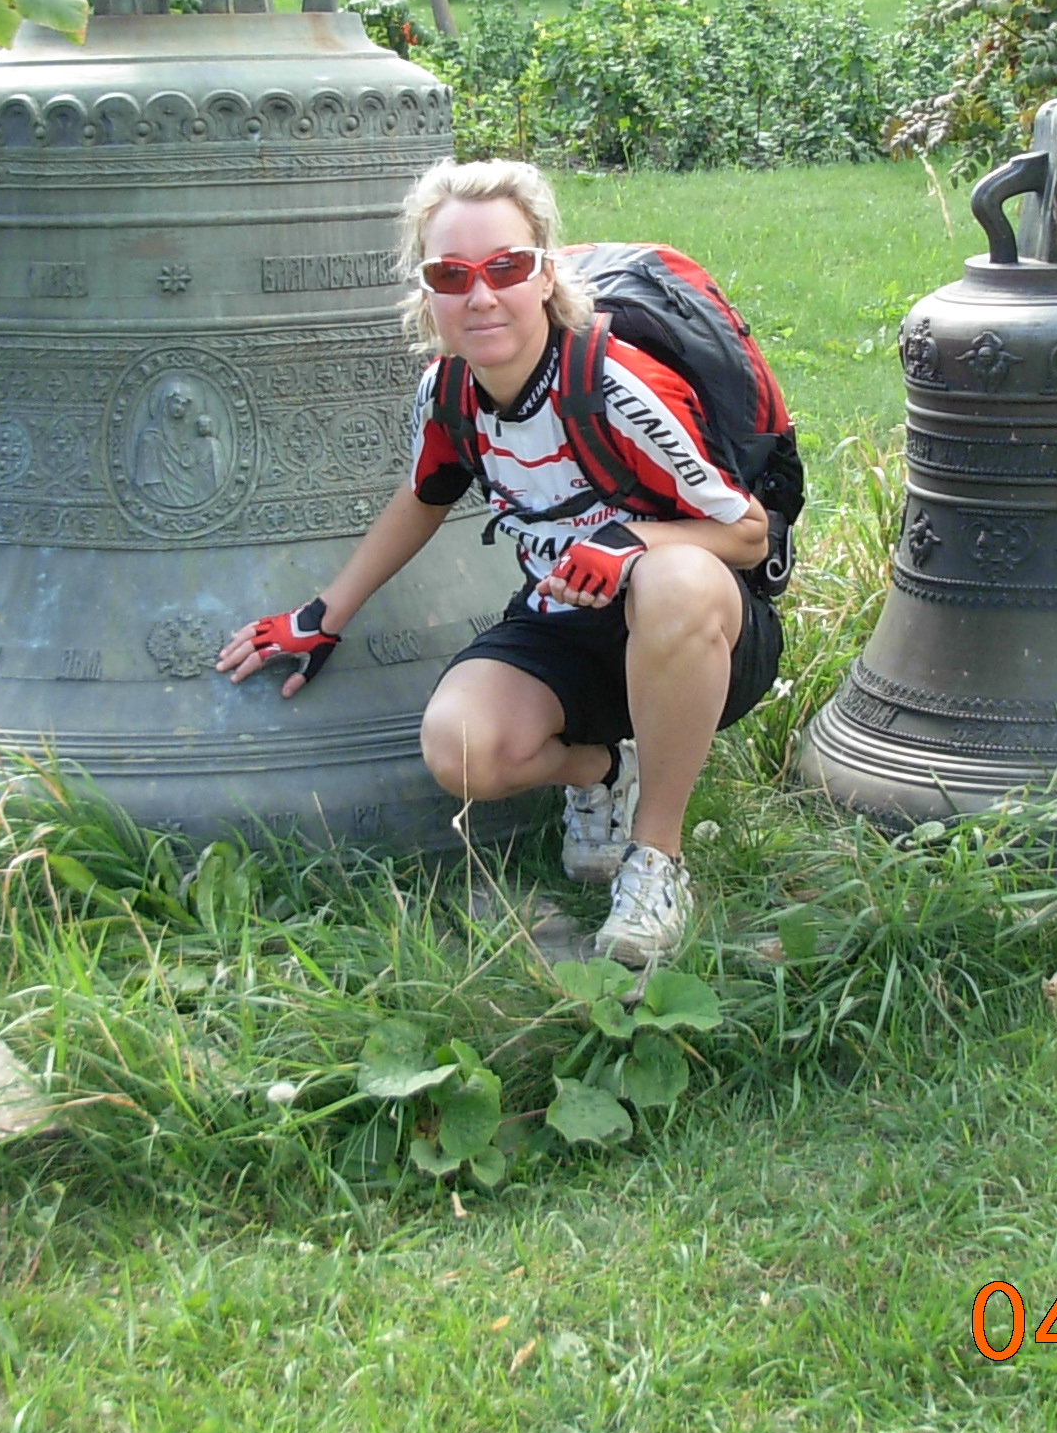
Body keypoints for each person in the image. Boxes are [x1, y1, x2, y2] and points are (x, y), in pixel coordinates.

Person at [218, 158, 782, 967]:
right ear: (427, 294)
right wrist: (323, 615)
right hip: (566, 622)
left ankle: (657, 859)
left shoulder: (617, 385)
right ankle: (603, 773)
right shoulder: (449, 391)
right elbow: (424, 496)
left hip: (700, 630)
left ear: (546, 274)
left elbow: (748, 535)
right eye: (451, 275)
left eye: (507, 267)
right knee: (461, 749)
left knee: (673, 579)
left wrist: (630, 541)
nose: (481, 295)